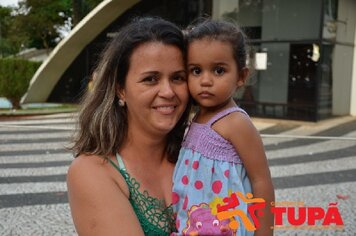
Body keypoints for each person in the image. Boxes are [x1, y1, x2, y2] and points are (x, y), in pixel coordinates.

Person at [67, 17, 190, 235]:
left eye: (178, 78)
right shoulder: (93, 171)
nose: (168, 91)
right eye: (151, 79)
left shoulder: (201, 155)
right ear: (120, 90)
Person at [172, 19, 275, 236]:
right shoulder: (196, 116)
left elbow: (261, 181)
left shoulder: (236, 122)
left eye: (219, 70)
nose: (205, 80)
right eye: (196, 70)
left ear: (241, 76)